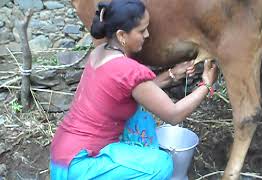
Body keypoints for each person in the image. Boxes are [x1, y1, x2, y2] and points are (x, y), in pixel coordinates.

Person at [50, 0, 217, 179]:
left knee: (137, 113)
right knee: (161, 165)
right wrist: (206, 84)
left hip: (62, 156)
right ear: (122, 35)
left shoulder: (99, 54)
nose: (147, 35)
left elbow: (138, 89)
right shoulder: (129, 70)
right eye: (141, 30)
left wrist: (173, 73)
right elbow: (174, 115)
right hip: (81, 166)